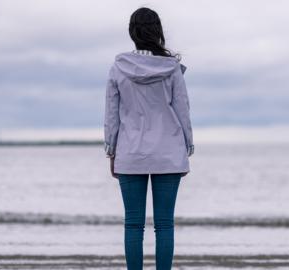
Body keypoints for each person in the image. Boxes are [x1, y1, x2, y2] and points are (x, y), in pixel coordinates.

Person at [103, 7, 194, 270]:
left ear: (132, 32)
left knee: (133, 224)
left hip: (130, 153)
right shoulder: (172, 68)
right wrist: (187, 148)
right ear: (158, 31)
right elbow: (182, 110)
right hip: (168, 152)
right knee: (164, 224)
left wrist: (111, 150)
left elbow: (112, 115)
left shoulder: (118, 67)